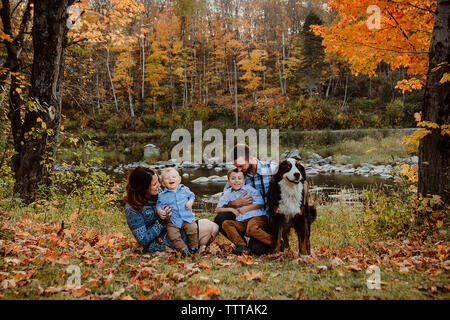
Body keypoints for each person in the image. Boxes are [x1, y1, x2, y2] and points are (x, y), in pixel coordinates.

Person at [124, 166, 218, 254]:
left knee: (214, 227)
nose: (159, 185)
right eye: (155, 184)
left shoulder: (158, 193)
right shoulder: (132, 208)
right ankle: (187, 249)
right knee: (207, 227)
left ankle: (195, 249)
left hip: (176, 227)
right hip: (159, 241)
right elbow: (143, 239)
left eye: (158, 181)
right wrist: (162, 220)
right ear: (143, 188)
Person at [214, 144, 278, 255]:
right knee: (221, 218)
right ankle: (241, 245)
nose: (239, 169)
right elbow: (223, 201)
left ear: (251, 158)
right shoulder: (239, 177)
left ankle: (276, 243)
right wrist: (234, 203)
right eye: (236, 166)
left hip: (268, 218)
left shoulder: (272, 169)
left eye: (241, 165)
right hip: (245, 219)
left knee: (258, 249)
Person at [216, 168, 273, 254]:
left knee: (252, 230)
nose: (236, 181)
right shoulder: (227, 193)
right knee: (226, 224)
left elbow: (261, 203)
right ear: (228, 181)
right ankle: (242, 246)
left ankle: (276, 243)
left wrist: (246, 208)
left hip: (257, 217)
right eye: (233, 178)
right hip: (242, 221)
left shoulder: (250, 190)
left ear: (244, 180)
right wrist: (231, 209)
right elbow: (218, 209)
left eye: (239, 178)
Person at [156, 167, 198, 256]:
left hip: (187, 218)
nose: (171, 179)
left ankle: (194, 247)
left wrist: (190, 202)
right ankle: (183, 249)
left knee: (193, 230)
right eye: (167, 178)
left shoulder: (185, 189)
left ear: (179, 180)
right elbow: (158, 205)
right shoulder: (162, 196)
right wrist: (160, 211)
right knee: (173, 235)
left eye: (173, 177)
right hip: (173, 221)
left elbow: (192, 196)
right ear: (163, 183)